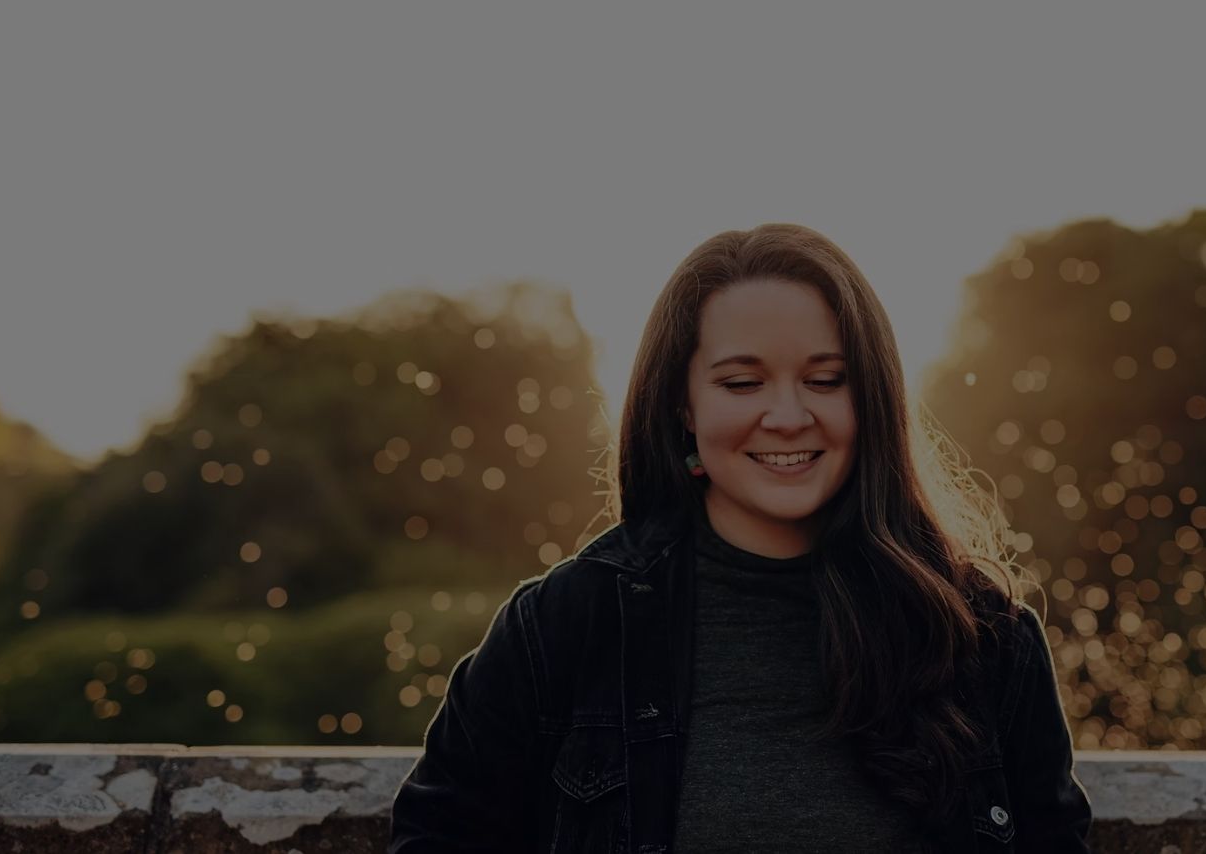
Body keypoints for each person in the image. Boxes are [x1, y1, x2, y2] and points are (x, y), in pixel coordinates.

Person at [390, 223, 1093, 852]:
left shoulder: (985, 640)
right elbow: (439, 833)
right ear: (683, 406)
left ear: (871, 399)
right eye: (741, 382)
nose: (787, 416)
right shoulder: (566, 625)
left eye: (825, 379)